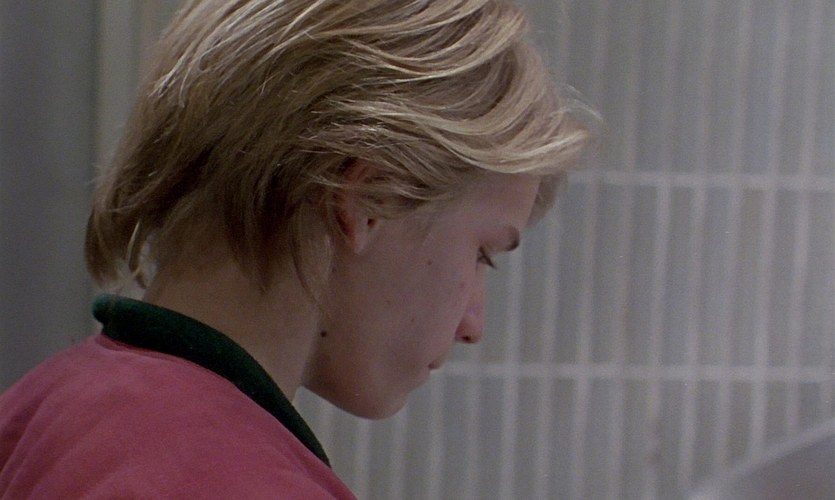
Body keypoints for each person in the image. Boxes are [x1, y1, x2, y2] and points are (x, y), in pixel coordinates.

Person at [0, 0, 592, 497]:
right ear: (369, 199)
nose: (473, 325)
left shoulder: (32, 415)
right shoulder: (243, 484)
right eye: (483, 253)